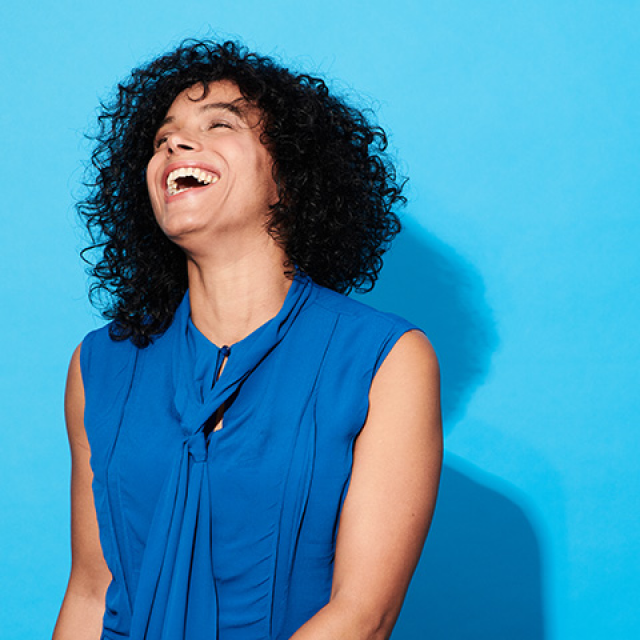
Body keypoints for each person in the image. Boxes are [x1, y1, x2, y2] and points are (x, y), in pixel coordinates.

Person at [53, 39, 442, 640]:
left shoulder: (387, 360)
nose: (176, 144)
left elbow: (363, 616)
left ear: (288, 174)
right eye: (163, 138)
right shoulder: (98, 364)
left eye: (218, 124)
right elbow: (90, 589)